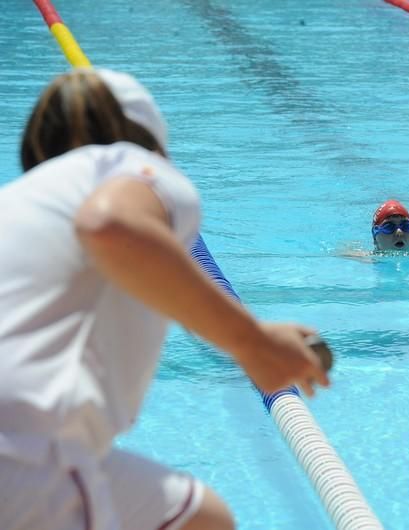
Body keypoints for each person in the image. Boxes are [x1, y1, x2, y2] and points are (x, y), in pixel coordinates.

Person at [0, 69, 329, 530]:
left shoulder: (17, 199)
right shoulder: (141, 170)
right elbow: (108, 225)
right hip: (23, 455)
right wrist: (252, 342)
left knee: (199, 518)